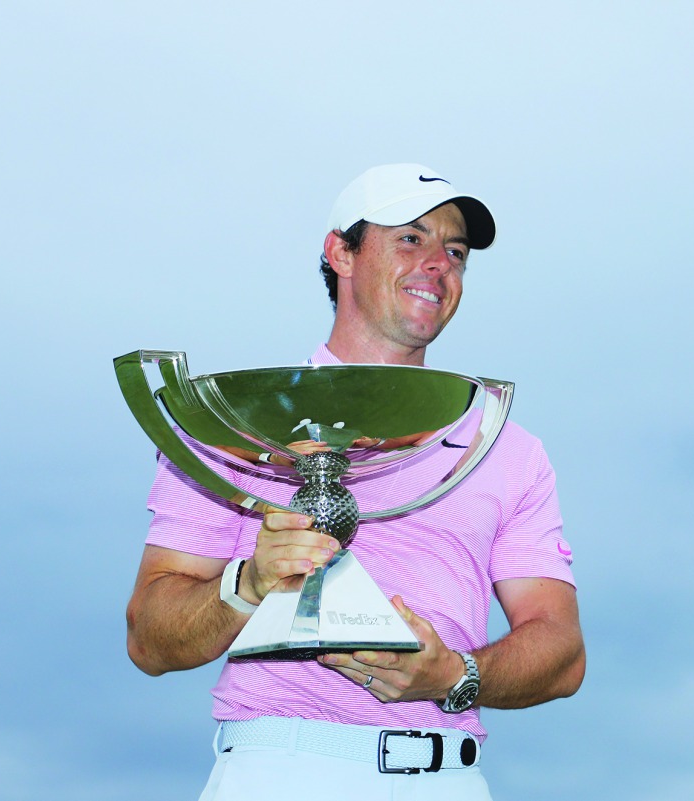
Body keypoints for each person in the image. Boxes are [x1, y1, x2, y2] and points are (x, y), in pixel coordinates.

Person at [125, 163, 585, 800]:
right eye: (410, 238)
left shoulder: (505, 447)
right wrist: (247, 583)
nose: (438, 264)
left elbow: (562, 652)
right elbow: (150, 639)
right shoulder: (235, 425)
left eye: (455, 251)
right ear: (340, 250)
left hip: (447, 778)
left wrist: (456, 674)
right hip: (282, 767)